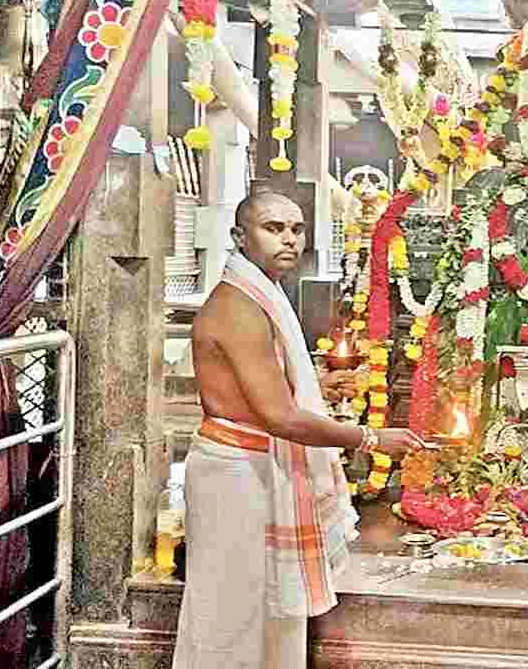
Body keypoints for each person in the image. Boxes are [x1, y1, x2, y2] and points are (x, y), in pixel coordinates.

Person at [172, 191, 422, 669]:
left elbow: (260, 392)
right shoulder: (239, 307)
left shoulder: (261, 294)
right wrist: (370, 438)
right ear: (239, 236)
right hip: (236, 474)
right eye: (273, 228)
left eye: (296, 228)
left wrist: (316, 385)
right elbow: (280, 417)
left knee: (268, 614)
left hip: (256, 468)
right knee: (229, 617)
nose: (288, 239)